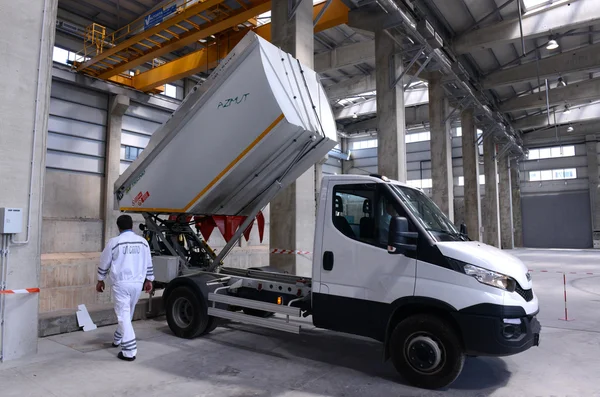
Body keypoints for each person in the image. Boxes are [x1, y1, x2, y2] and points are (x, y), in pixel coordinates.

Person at [97, 215, 154, 362]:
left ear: (118, 227)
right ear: (132, 226)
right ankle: (117, 340)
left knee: (123, 316)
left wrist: (100, 280)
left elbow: (104, 262)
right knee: (126, 315)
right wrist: (149, 280)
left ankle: (129, 351)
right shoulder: (143, 243)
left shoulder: (114, 242)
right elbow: (149, 262)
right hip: (137, 284)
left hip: (121, 284)